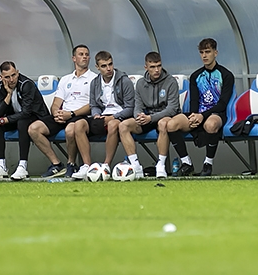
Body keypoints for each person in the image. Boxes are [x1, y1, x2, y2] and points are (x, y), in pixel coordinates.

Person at [166, 39, 235, 177]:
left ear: (215, 53)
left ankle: (207, 164)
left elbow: (222, 104)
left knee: (210, 124)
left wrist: (202, 116)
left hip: (216, 113)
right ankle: (186, 163)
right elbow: (194, 100)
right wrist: (193, 115)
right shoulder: (196, 76)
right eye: (202, 52)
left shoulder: (226, 75)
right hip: (198, 113)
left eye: (208, 52)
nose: (204, 56)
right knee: (171, 124)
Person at [27, 45, 96, 179]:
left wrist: (71, 114)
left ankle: (71, 163)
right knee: (33, 129)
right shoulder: (65, 79)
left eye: (87, 54)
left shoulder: (94, 79)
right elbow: (56, 103)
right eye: (81, 54)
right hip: (63, 115)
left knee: (71, 130)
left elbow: (93, 104)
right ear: (74, 58)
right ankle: (56, 164)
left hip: (80, 116)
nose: (85, 57)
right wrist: (56, 114)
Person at [70, 51, 135, 180]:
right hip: (102, 116)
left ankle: (106, 165)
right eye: (104, 66)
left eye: (110, 64)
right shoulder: (95, 82)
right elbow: (93, 105)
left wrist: (113, 117)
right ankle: (86, 166)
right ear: (97, 67)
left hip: (119, 117)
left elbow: (130, 108)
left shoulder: (124, 81)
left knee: (112, 125)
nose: (108, 68)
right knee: (78, 125)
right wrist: (96, 115)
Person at [120, 52, 180, 180]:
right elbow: (137, 106)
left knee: (163, 123)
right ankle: (136, 166)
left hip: (164, 117)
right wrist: (139, 116)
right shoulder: (141, 83)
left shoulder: (171, 81)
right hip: (147, 118)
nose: (156, 70)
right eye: (152, 67)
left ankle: (161, 165)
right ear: (145, 67)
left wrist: (151, 118)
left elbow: (172, 108)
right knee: (123, 125)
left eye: (159, 66)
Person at [0, 61, 48, 181]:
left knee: (21, 122)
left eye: (13, 75)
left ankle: (22, 166)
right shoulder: (0, 86)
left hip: (37, 117)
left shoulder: (26, 84)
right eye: (7, 77)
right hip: (17, 117)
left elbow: (26, 112)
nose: (11, 79)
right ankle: (1, 166)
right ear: (1, 77)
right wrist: (8, 94)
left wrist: (2, 120)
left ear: (17, 72)